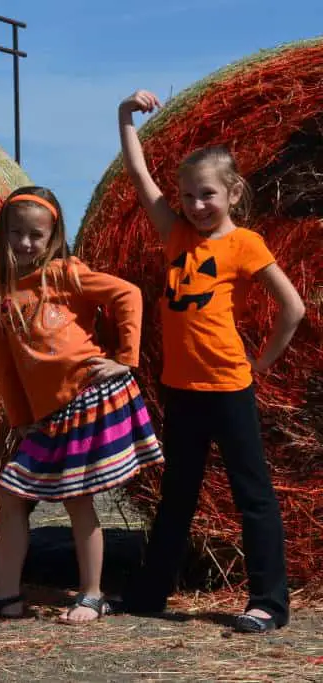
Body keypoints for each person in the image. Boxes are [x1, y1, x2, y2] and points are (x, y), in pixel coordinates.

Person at [117, 90, 305, 633]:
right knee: (177, 496)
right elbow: (137, 173)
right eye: (188, 196)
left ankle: (268, 603)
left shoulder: (246, 243)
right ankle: (150, 595)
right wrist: (124, 116)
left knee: (253, 496)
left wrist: (263, 364)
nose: (196, 205)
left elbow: (291, 307)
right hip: (181, 389)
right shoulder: (174, 234)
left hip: (228, 386)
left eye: (207, 195)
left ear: (232, 192)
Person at [0, 186, 163, 624]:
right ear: (3, 233)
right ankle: (7, 596)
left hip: (85, 397)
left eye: (35, 236)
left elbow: (127, 294)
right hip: (46, 417)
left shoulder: (63, 274)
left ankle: (92, 594)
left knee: (77, 498)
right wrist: (20, 418)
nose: (25, 243)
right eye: (17, 233)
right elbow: (5, 363)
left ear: (53, 238)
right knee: (10, 492)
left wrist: (125, 359)